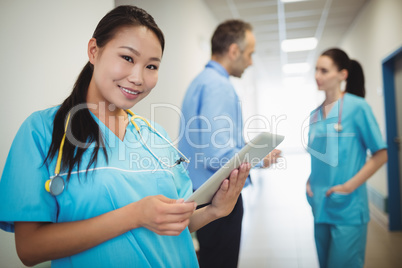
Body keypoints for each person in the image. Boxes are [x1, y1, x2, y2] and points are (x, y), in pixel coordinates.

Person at [0, 5, 252, 267]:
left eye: (151, 66)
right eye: (128, 58)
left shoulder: (155, 137)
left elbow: (176, 221)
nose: (138, 78)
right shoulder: (42, 131)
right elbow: (29, 248)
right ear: (94, 51)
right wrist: (134, 215)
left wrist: (214, 211)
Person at [178, 20, 280, 268]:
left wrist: (246, 147)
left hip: (199, 192)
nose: (251, 61)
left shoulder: (200, 81)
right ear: (234, 51)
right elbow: (218, 154)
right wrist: (259, 157)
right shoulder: (219, 87)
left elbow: (209, 140)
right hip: (218, 197)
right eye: (249, 54)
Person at [306, 48, 388, 268]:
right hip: (320, 204)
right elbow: (317, 157)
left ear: (343, 74)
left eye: (324, 70)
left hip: (347, 206)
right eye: (316, 70)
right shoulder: (315, 114)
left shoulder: (357, 107)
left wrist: (348, 186)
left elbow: (381, 154)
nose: (317, 75)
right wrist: (308, 182)